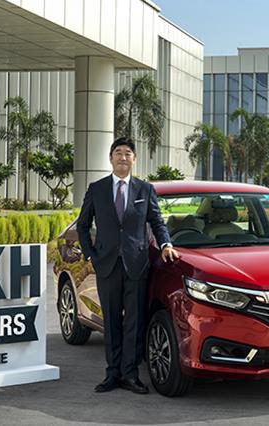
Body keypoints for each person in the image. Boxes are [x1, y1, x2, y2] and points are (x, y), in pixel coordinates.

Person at [77, 137, 179, 394]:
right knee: (111, 321)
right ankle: (112, 374)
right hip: (107, 265)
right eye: (118, 153)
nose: (123, 157)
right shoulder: (97, 189)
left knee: (134, 322)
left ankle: (130, 375)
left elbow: (157, 222)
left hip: (136, 264)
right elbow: (83, 224)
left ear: (134, 159)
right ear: (110, 158)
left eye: (128, 153)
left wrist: (166, 244)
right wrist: (90, 254)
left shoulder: (145, 190)